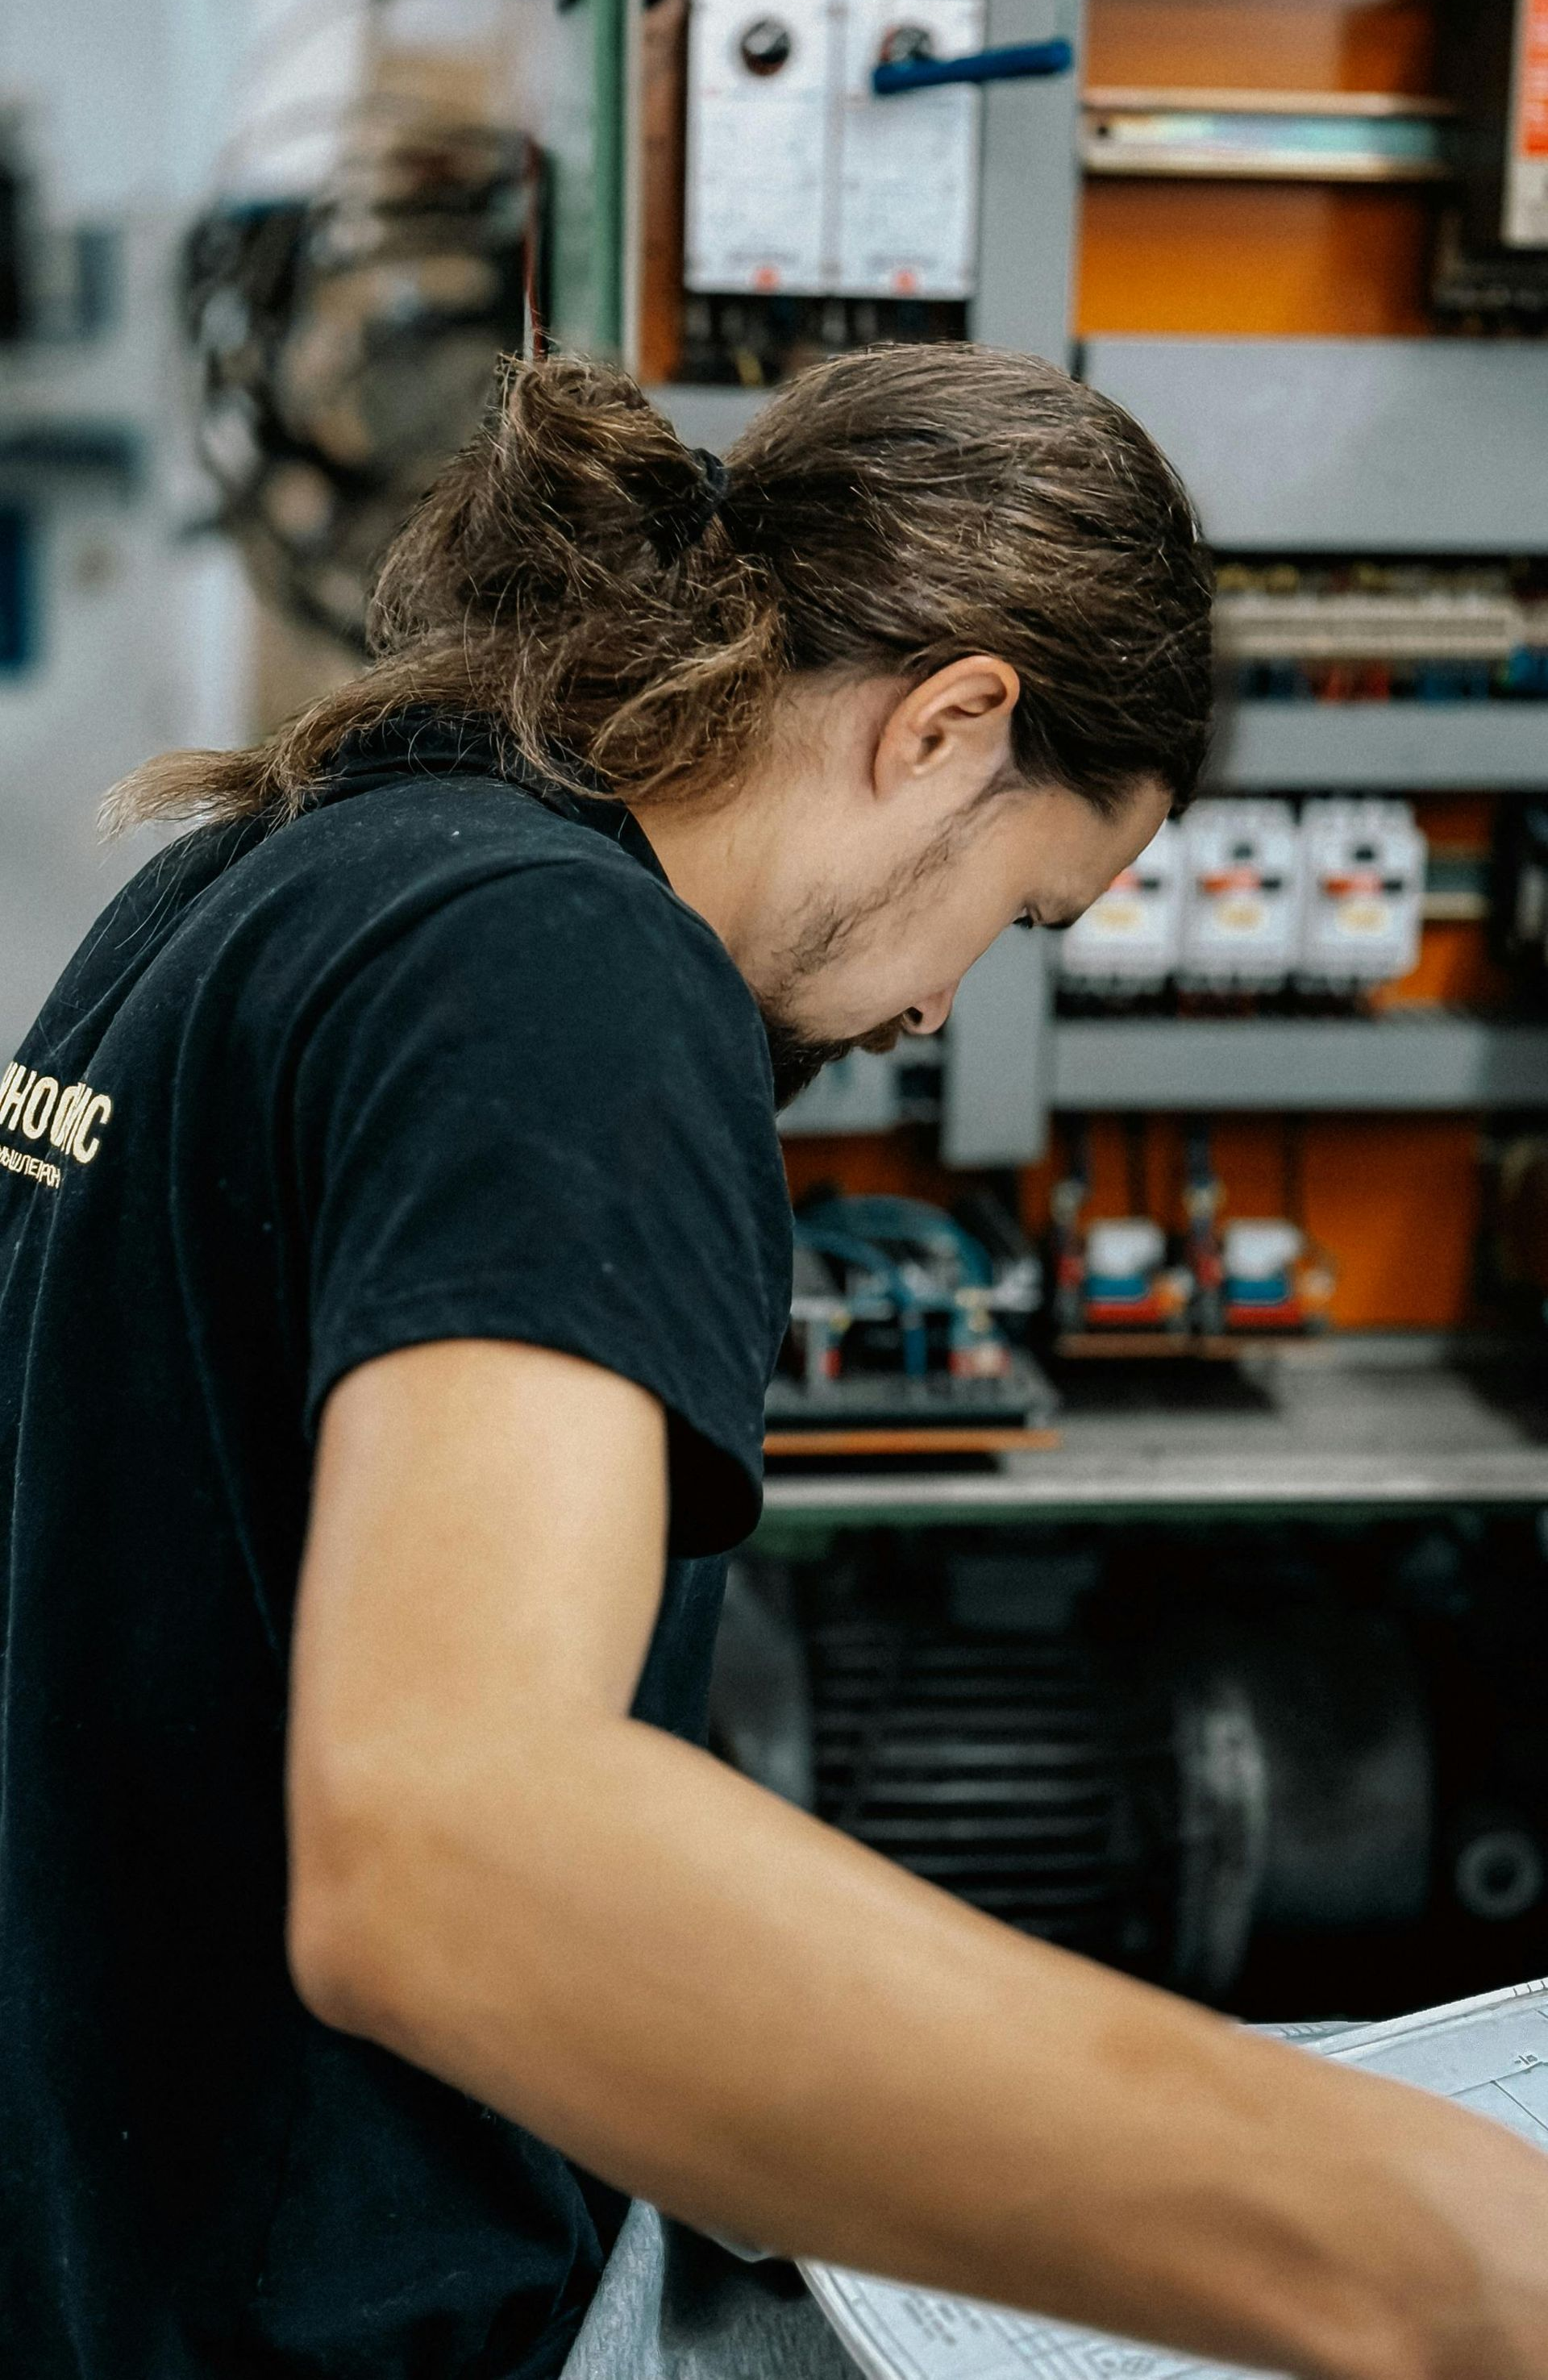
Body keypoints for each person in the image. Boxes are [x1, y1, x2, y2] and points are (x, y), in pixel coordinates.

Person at [2, 343, 1546, 2380]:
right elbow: (454, 1846)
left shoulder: (256, 880)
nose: (930, 1015)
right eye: (1013, 911)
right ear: (952, 719)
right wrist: (1438, 2245)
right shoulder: (573, 976)